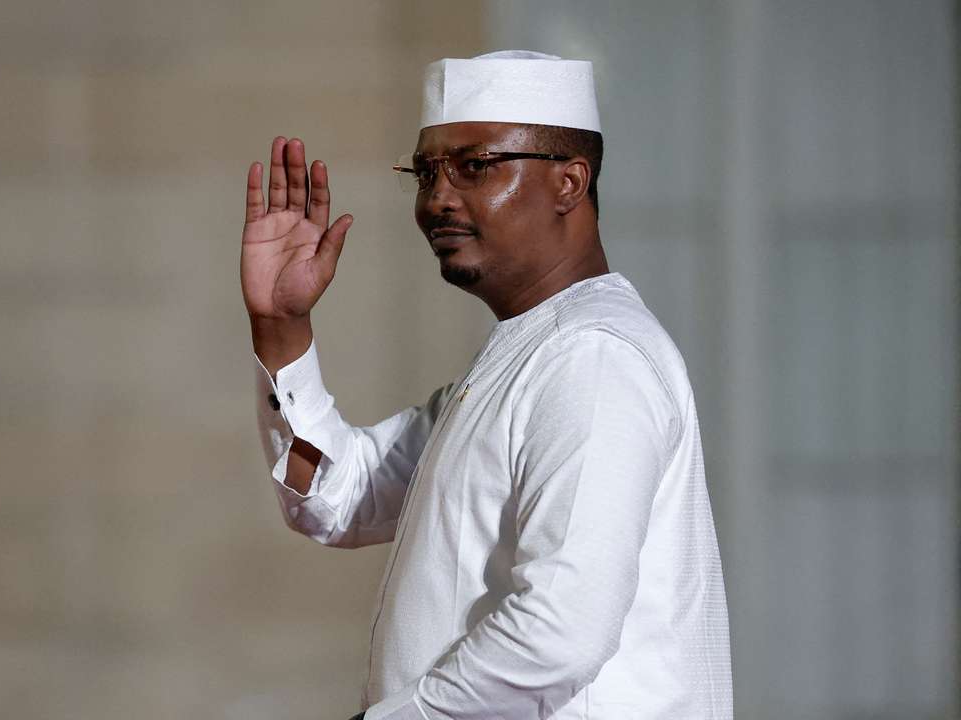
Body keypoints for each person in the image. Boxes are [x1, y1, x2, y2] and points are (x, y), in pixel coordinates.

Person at [241, 50, 732, 720]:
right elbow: (338, 498)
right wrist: (280, 324)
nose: (439, 197)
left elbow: (559, 633)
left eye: (475, 167)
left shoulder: (591, 358)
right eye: (426, 173)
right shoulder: (525, 357)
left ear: (569, 182)